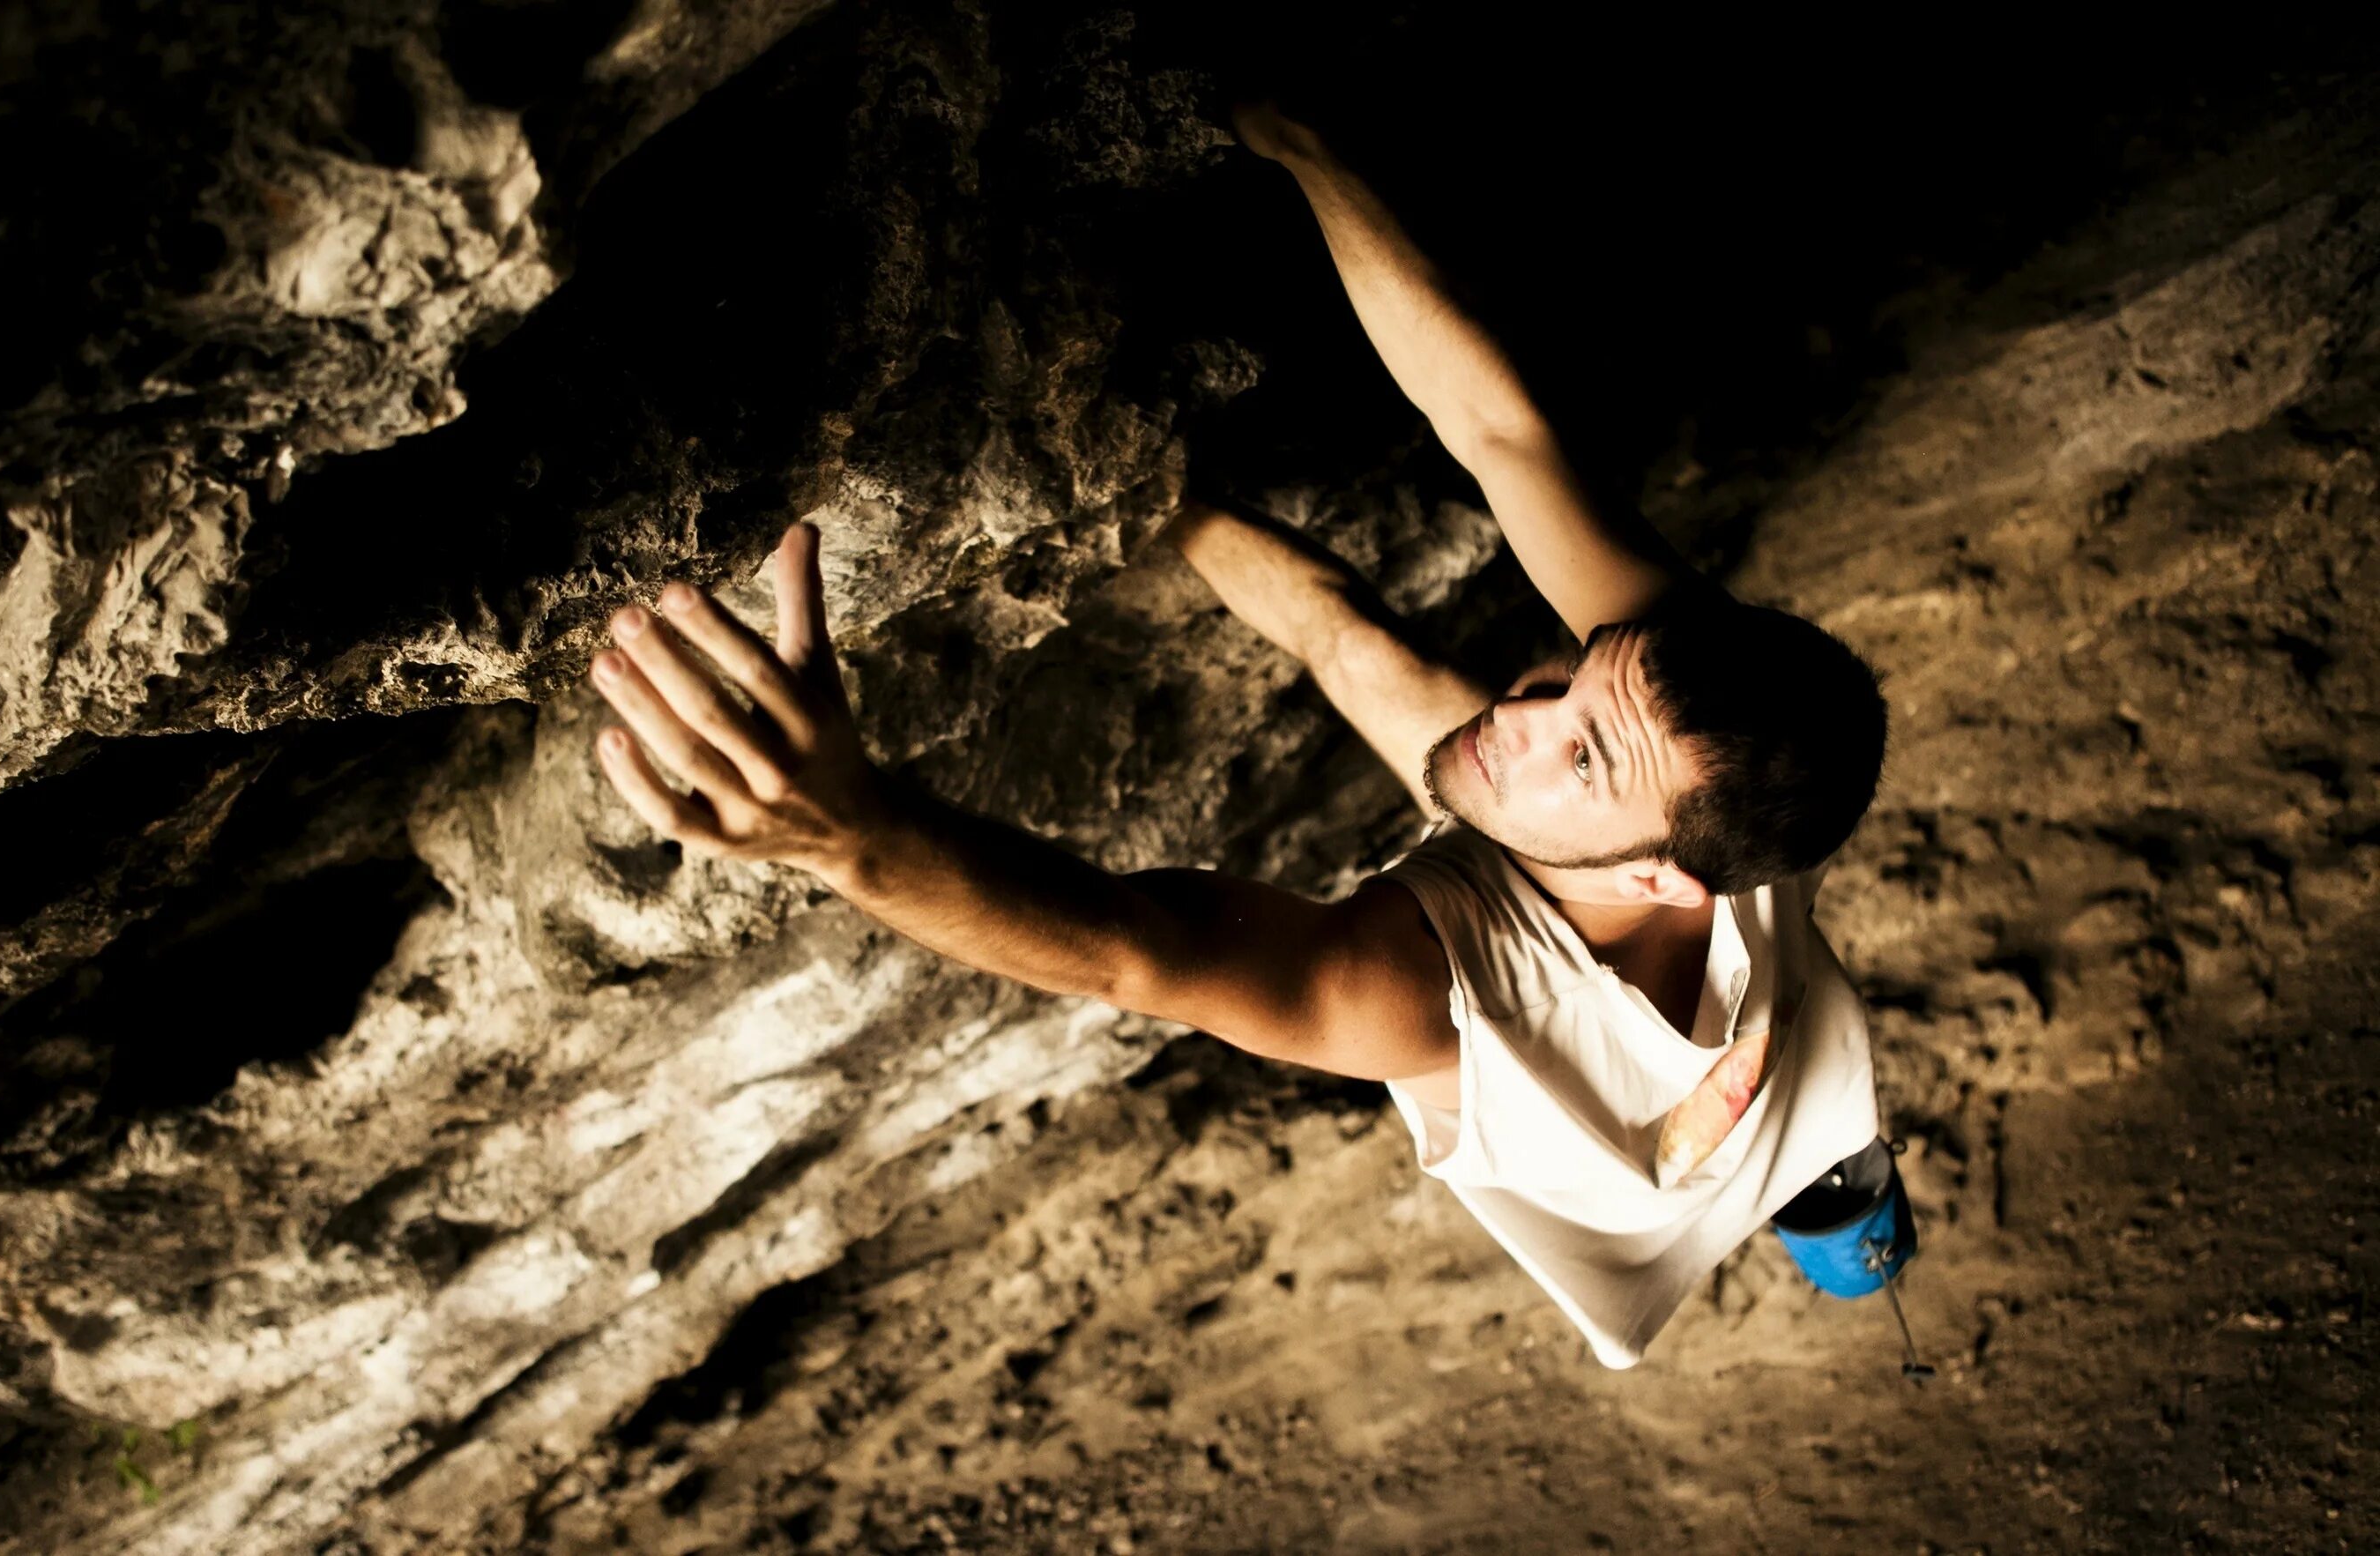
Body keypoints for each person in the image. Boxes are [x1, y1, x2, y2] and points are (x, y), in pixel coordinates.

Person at [584, 101, 1891, 1369]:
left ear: (1664, 875)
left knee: (1819, 1153)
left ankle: (1840, 1201)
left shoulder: (1447, 1008)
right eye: (1564, 684)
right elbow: (1496, 434)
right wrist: (1302, 139)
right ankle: (1830, 1177)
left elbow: (1138, 952)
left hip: (1651, 1175)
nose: (1522, 714)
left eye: (1581, 752)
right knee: (1371, 656)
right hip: (1745, 1010)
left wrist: (850, 834)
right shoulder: (1690, 730)